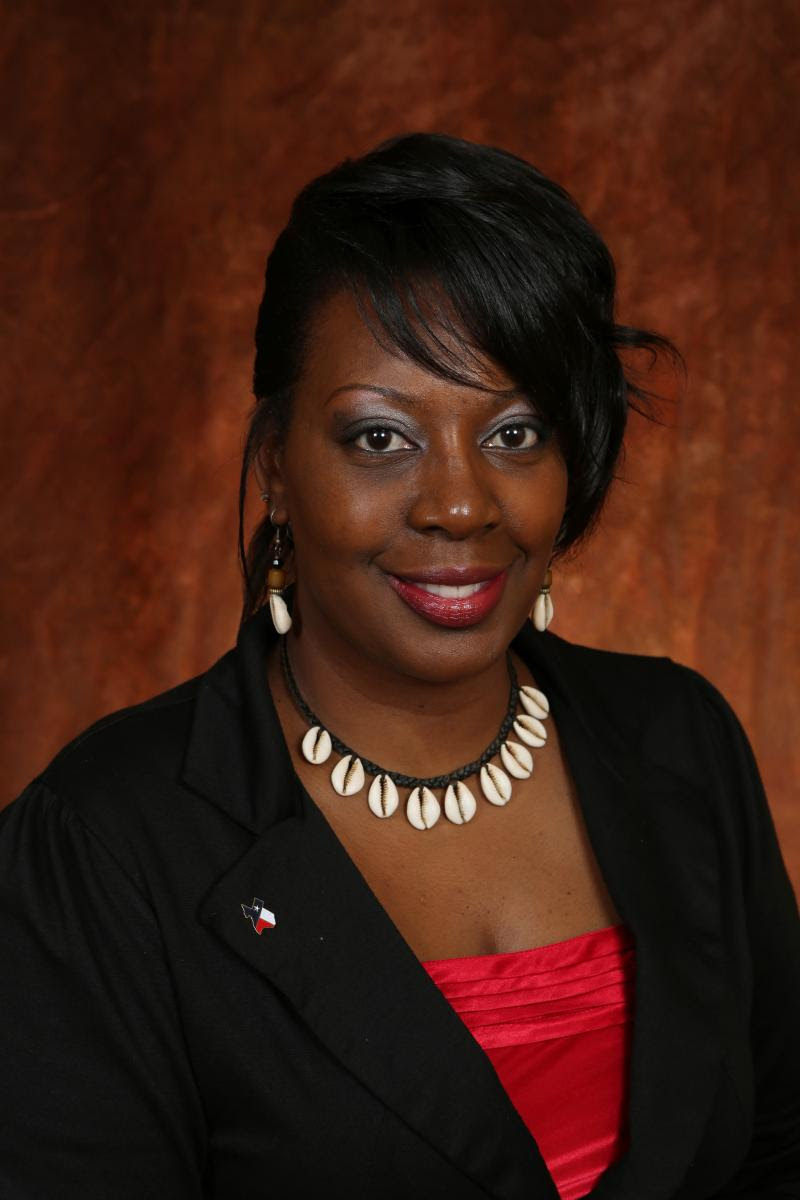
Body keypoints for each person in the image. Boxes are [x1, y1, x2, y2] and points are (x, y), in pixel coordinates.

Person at [1, 133, 798, 1200]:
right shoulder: (104, 845)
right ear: (277, 467)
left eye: (515, 433)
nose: (459, 505)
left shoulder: (679, 742)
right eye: (381, 439)